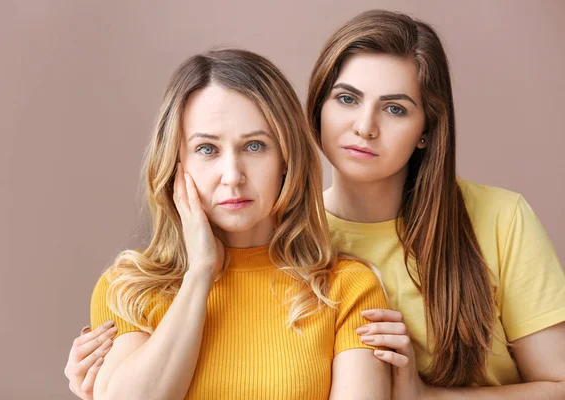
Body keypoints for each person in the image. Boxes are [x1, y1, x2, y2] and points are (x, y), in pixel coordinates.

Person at [65, 10, 565, 399]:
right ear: (314, 111)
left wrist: (424, 395)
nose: (364, 127)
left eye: (394, 108)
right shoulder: (143, 281)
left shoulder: (351, 278)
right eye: (347, 99)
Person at [65, 48, 390, 400]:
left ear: (286, 158)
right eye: (207, 149)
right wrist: (200, 273)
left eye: (254, 146)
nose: (232, 176)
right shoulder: (127, 290)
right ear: (176, 164)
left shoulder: (348, 289)